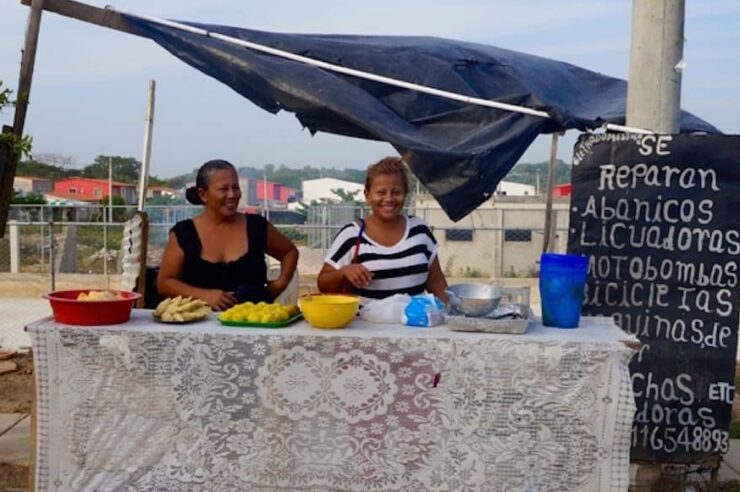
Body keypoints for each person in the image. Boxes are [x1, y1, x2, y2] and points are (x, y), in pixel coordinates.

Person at [157, 159, 298, 310]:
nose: (232, 195)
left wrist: (280, 284)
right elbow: (165, 283)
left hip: (254, 323)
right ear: (203, 194)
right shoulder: (184, 233)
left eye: (235, 188)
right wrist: (204, 295)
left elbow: (289, 252)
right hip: (199, 325)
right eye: (223, 189)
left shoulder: (257, 227)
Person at [317, 156, 448, 305]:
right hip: (366, 326)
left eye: (396, 192)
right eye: (381, 192)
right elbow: (323, 284)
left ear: (405, 194)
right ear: (367, 195)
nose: (389, 199)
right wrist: (343, 272)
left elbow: (437, 284)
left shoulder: (420, 231)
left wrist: (450, 314)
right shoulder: (351, 236)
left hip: (416, 325)